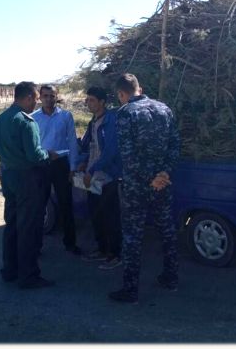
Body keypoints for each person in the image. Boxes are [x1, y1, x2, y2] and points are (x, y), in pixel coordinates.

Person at [109, 73, 181, 303]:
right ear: (139, 88)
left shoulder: (125, 114)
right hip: (163, 183)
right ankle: (171, 278)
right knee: (167, 231)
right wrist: (164, 173)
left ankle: (130, 290)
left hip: (137, 186)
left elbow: (128, 156)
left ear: (122, 93)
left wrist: (150, 178)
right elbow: (175, 144)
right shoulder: (163, 108)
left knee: (132, 236)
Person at [0, 81, 54, 289]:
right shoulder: (26, 122)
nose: (37, 103)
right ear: (27, 98)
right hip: (26, 178)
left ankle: (10, 270)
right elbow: (35, 155)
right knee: (29, 227)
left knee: (12, 224)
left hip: (7, 175)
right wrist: (49, 155)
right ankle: (28, 275)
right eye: (36, 99)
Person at [74, 86, 123, 270]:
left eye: (92, 100)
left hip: (107, 176)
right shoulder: (93, 122)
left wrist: (91, 170)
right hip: (93, 177)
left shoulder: (111, 121)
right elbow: (88, 146)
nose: (88, 103)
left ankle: (115, 254)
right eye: (87, 100)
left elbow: (110, 151)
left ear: (102, 102)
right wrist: (82, 162)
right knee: (96, 215)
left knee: (111, 217)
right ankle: (102, 249)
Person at [31, 84, 82, 255]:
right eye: (45, 96)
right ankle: (36, 246)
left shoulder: (66, 116)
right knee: (39, 205)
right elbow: (33, 145)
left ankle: (70, 243)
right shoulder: (33, 118)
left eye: (52, 96)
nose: (48, 99)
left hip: (61, 165)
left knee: (66, 204)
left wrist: (73, 167)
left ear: (56, 96)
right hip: (42, 165)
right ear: (40, 97)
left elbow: (72, 143)